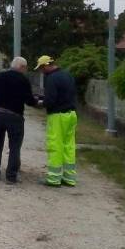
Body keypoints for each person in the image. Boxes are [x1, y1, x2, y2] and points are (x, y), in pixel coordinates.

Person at [0, 57, 37, 184]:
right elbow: (29, 101)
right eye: (25, 68)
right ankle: (11, 176)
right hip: (15, 116)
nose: (25, 70)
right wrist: (40, 102)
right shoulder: (23, 80)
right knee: (14, 146)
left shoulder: (0, 76)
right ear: (22, 67)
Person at [34, 55, 78, 187]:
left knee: (55, 145)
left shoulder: (51, 78)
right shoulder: (67, 75)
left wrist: (40, 102)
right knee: (68, 146)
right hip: (71, 114)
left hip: (57, 116)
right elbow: (65, 94)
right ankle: (69, 178)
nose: (42, 72)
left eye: (42, 69)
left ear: (46, 66)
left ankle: (54, 178)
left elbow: (51, 100)